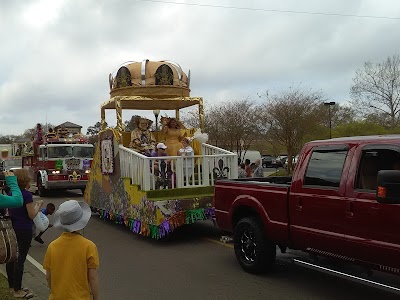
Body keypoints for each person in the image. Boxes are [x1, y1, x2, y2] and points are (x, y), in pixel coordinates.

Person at [43, 200, 99, 300]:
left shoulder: (52, 246)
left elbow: (48, 276)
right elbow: (93, 277)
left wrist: (54, 291)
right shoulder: (89, 246)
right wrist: (96, 297)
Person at [6, 169, 43, 299]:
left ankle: (12, 286)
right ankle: (17, 290)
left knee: (12, 258)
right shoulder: (26, 195)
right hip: (24, 229)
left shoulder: (12, 193)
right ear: (25, 180)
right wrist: (38, 206)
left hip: (13, 227)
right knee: (20, 260)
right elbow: (31, 214)